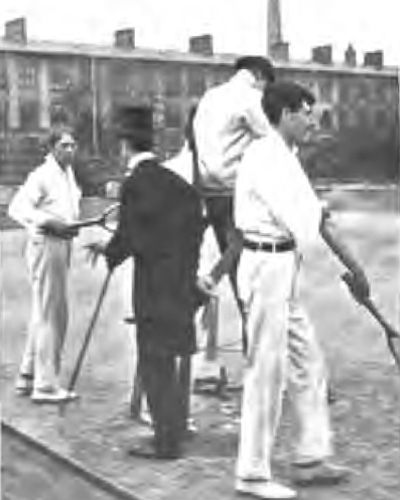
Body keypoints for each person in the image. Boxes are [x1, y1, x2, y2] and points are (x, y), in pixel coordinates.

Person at [234, 81, 370, 499]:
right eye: (307, 113)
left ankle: (310, 458)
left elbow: (309, 216)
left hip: (281, 265)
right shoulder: (266, 156)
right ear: (286, 113)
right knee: (266, 372)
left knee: (308, 360)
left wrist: (355, 266)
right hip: (265, 265)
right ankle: (251, 475)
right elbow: (304, 223)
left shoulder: (285, 155)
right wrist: (319, 211)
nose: (313, 121)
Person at [87, 107, 212, 460]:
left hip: (153, 290)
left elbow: (129, 238)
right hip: (182, 285)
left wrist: (109, 252)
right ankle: (175, 430)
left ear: (124, 146)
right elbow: (195, 231)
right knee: (171, 360)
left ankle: (166, 443)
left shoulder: (135, 184)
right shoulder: (180, 185)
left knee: (155, 365)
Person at [192, 55, 276, 392]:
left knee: (238, 276)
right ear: (260, 76)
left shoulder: (209, 98)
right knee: (254, 281)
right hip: (239, 195)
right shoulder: (251, 98)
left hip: (211, 195)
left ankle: (246, 364)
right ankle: (262, 369)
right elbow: (275, 141)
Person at [8, 126, 81, 403]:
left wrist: (70, 225)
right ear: (51, 148)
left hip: (62, 243)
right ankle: (46, 386)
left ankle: (28, 377)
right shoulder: (41, 175)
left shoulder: (67, 174)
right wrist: (48, 222)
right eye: (64, 145)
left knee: (43, 311)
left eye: (73, 145)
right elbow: (17, 208)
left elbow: (66, 209)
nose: (70, 150)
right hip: (46, 244)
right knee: (54, 314)